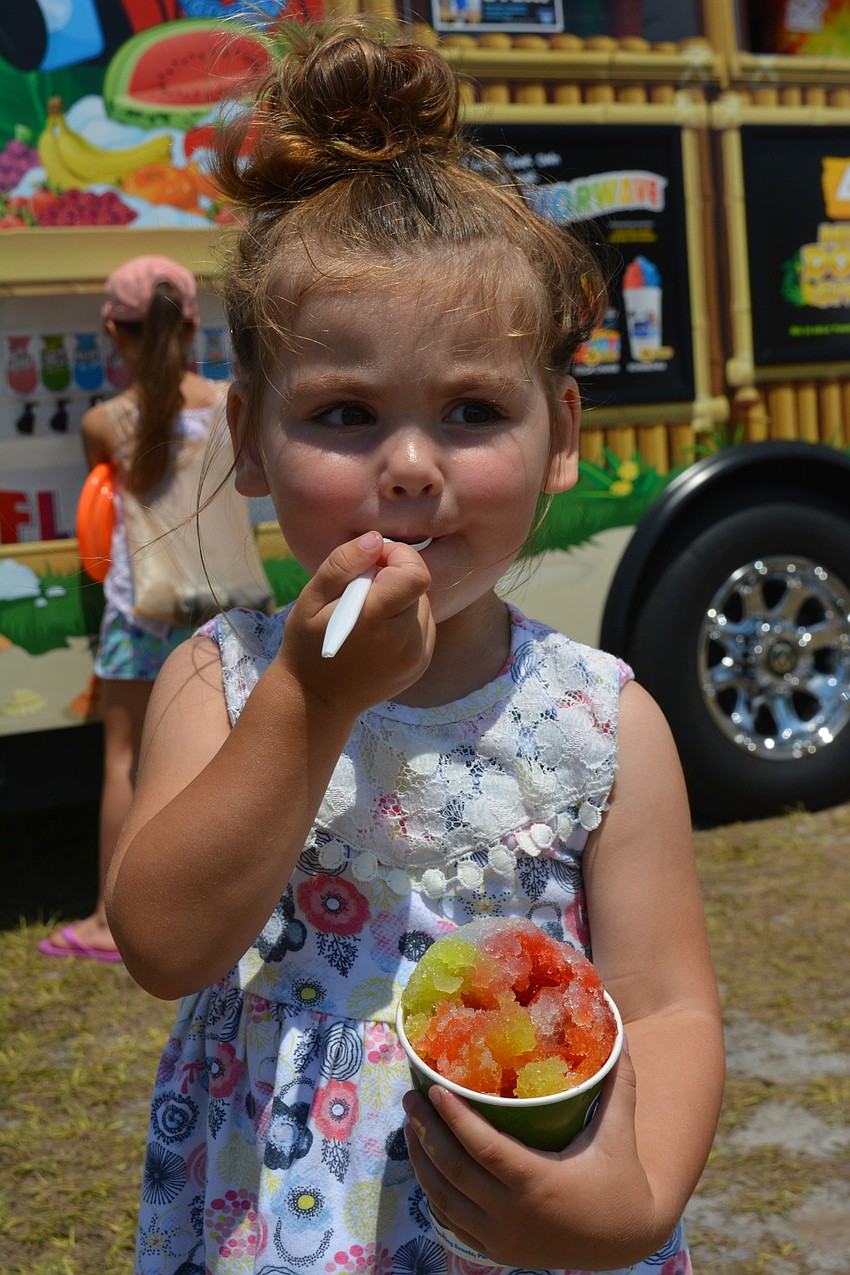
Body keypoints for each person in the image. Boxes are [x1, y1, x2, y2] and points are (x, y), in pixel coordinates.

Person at [105, 23, 724, 1274]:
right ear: (252, 440)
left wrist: (638, 1197)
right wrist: (309, 700)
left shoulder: (604, 721)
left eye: (471, 411)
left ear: (558, 434)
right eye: (344, 414)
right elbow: (163, 946)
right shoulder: (221, 681)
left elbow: (664, 1003)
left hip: (531, 1204)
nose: (408, 465)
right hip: (281, 1217)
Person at [39, 256, 224, 963]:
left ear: (115, 332)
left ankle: (107, 924)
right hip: (218, 608)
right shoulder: (227, 405)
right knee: (215, 756)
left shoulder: (102, 422)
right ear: (194, 325)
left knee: (125, 761)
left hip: (139, 614)